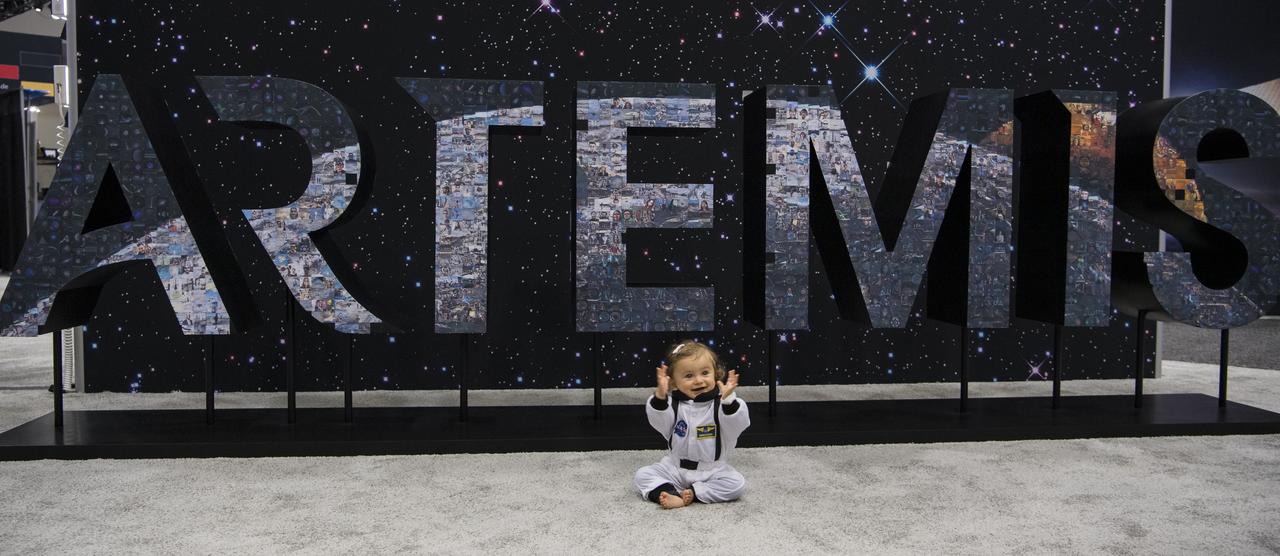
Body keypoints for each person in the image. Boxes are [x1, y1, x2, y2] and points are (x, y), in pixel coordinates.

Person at [634, 340, 749, 509]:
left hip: (711, 472)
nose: (698, 380)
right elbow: (659, 420)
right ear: (673, 382)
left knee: (736, 484)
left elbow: (737, 424)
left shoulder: (720, 405)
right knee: (642, 475)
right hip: (675, 468)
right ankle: (670, 493)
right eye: (688, 376)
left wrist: (729, 401)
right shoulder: (674, 405)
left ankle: (694, 493)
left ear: (716, 375)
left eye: (705, 373)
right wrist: (660, 396)